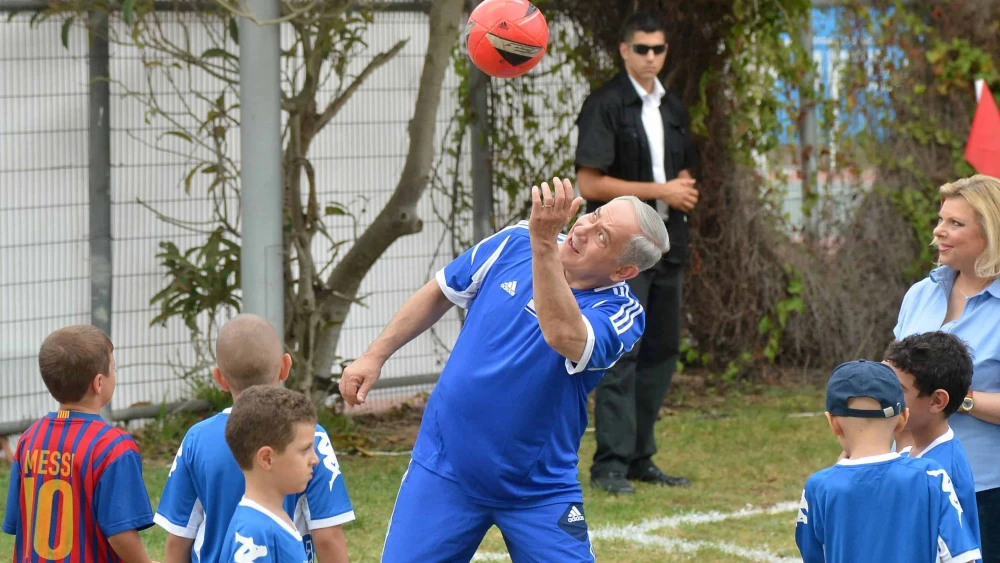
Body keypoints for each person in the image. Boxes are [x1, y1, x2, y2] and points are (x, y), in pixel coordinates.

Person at [340, 177, 669, 562]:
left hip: (537, 489)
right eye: (593, 216)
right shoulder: (515, 242)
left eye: (601, 236)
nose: (581, 228)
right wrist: (374, 355)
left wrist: (544, 246)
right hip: (444, 466)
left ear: (623, 272)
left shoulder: (621, 313)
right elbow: (441, 291)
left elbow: (563, 333)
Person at [574, 10, 699, 493]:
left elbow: (683, 176)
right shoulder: (605, 104)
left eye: (659, 49)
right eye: (642, 49)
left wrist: (678, 191)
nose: (651, 57)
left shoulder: (672, 108)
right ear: (624, 51)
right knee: (621, 351)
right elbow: (590, 182)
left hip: (669, 245)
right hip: (622, 251)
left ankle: (640, 457)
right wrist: (660, 190)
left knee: (661, 352)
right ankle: (609, 463)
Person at [155, 314, 354, 563]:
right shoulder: (311, 437)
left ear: (220, 378)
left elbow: (178, 538)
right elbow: (328, 536)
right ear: (285, 366)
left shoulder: (196, 440)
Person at [894, 174, 1000, 561]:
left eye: (956, 223)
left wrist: (959, 400)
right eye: (941, 220)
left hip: (984, 490)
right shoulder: (921, 293)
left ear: (990, 232)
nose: (940, 231)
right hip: (909, 478)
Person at [795, 360, 981, 563]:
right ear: (902, 419)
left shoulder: (818, 487)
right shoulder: (931, 477)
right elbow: (962, 558)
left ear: (833, 423)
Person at [1, 325, 158, 563]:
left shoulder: (29, 439)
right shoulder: (114, 446)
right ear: (98, 383)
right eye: (113, 369)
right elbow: (120, 532)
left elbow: (19, 520)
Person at [883, 332, 981, 547]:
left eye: (897, 389)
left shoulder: (939, 473)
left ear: (937, 401)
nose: (883, 396)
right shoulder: (910, 452)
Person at [218, 385, 319, 563]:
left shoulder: (272, 518)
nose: (315, 459)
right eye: (305, 450)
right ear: (267, 459)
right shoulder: (253, 533)